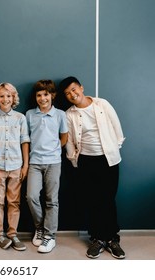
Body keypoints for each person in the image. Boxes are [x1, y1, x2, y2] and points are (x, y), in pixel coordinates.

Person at [59, 76, 125, 259]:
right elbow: (70, 140)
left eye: (74, 89)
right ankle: (97, 239)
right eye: (67, 93)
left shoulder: (101, 104)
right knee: (92, 200)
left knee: (108, 199)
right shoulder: (69, 114)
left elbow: (116, 126)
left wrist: (114, 147)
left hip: (108, 159)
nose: (72, 95)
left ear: (81, 87)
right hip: (86, 161)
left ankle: (113, 239)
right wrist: (73, 160)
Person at [0, 83, 30, 251]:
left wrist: (25, 165)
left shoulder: (20, 118)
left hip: (16, 165)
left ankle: (12, 234)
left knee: (14, 201)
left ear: (13, 98)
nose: (5, 99)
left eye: (8, 96)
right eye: (2, 96)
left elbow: (25, 141)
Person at [25, 80, 68, 253]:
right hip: (34, 162)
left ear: (53, 95)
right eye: (39, 95)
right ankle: (40, 228)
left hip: (54, 162)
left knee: (52, 200)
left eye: (46, 94)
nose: (42, 98)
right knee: (31, 196)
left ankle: (50, 236)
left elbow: (63, 137)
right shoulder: (29, 114)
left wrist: (55, 149)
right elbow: (26, 138)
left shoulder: (60, 115)